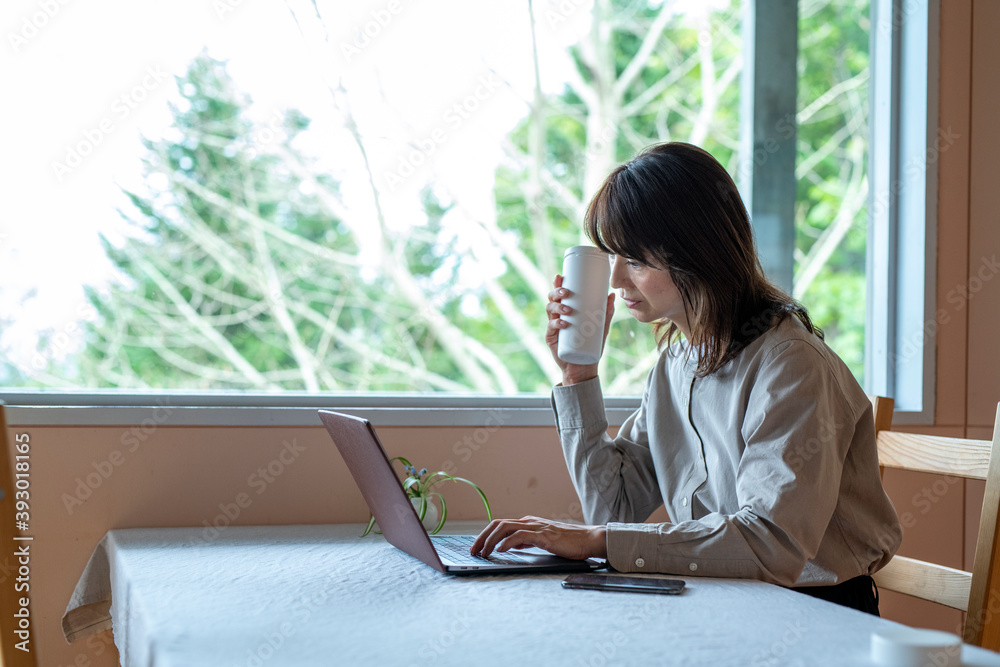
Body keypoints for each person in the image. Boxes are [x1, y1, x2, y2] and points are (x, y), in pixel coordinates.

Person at [470, 141, 901, 615]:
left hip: (814, 612)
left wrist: (599, 540)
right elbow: (613, 509)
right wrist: (578, 375)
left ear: (697, 252)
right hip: (722, 600)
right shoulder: (675, 364)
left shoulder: (790, 365)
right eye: (613, 257)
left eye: (635, 260)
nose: (616, 279)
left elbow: (771, 544)